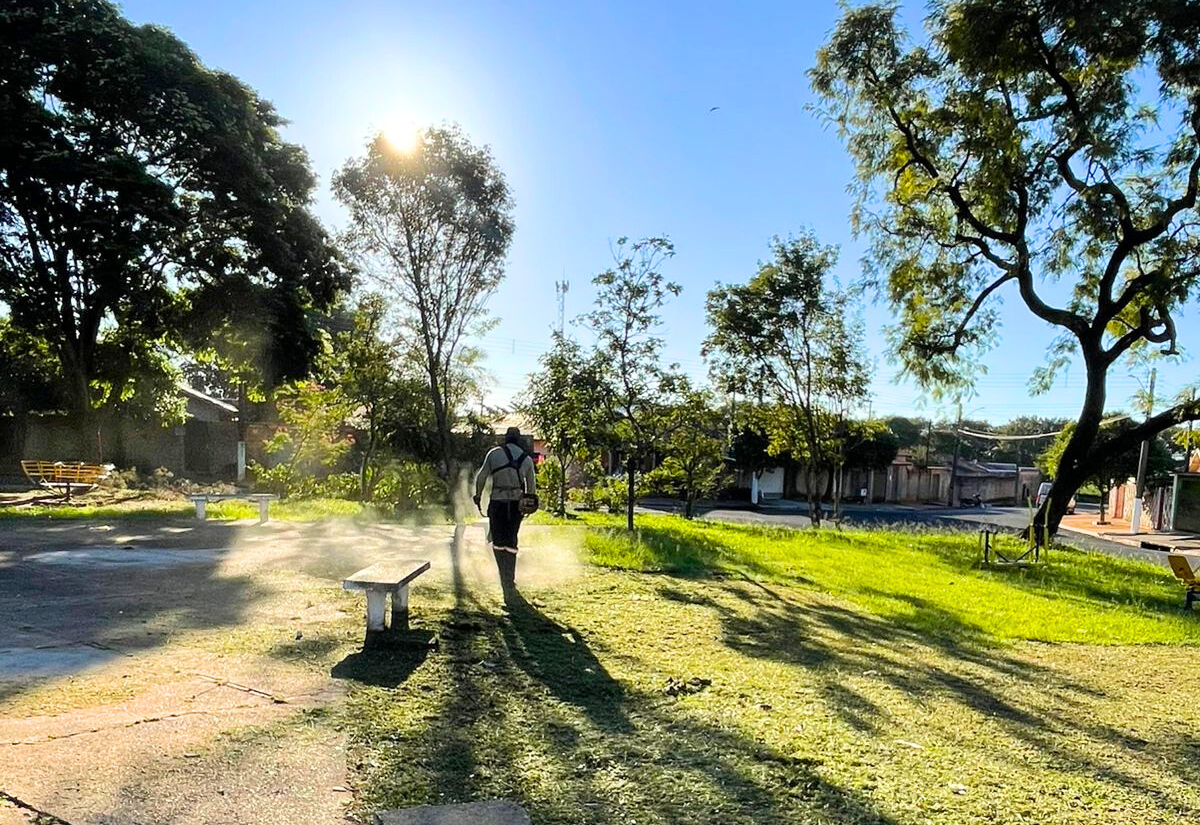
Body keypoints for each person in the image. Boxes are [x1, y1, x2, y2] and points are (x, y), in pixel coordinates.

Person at [473, 426, 536, 598]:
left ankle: (502, 573)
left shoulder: (494, 454)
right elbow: (532, 487)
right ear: (519, 439)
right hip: (516, 504)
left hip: (497, 502)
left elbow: (481, 476)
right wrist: (528, 504)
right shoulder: (526, 459)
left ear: (506, 438)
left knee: (498, 538)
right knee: (511, 538)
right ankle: (510, 576)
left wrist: (477, 496)